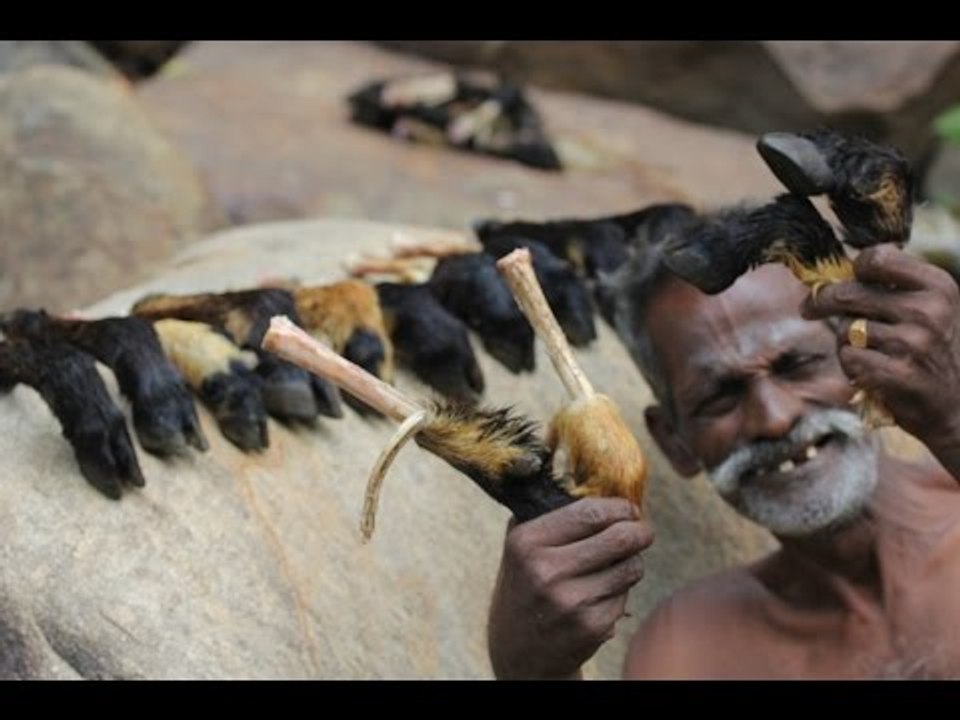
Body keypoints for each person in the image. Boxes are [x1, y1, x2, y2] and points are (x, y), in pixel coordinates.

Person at [486, 243, 960, 679]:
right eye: (720, 397)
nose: (774, 420)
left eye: (796, 364)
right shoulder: (691, 650)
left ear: (868, 360)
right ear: (676, 443)